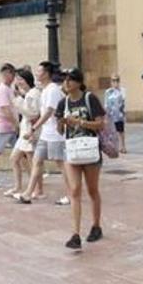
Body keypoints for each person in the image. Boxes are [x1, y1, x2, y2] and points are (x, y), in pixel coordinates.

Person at [55, 67, 108, 249]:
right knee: (75, 190)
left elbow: (101, 124)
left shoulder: (89, 99)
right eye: (64, 80)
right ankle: (75, 234)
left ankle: (96, 225)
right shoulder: (63, 104)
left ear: (78, 82)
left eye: (69, 80)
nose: (66, 83)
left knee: (92, 190)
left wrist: (80, 122)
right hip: (72, 149)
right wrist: (61, 123)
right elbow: (59, 130)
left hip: (90, 149)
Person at [25, 61, 66, 204]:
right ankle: (28, 193)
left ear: (46, 74)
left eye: (39, 71)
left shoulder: (53, 89)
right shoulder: (45, 89)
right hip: (45, 134)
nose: (37, 73)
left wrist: (34, 128)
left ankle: (71, 194)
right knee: (36, 161)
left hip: (55, 134)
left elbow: (49, 111)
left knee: (61, 164)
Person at [9, 68, 40, 201]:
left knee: (32, 161)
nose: (18, 81)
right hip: (25, 131)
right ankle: (19, 186)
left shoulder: (33, 94)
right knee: (15, 158)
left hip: (29, 130)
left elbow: (33, 113)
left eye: (20, 79)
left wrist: (18, 103)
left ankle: (36, 190)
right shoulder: (29, 94)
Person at [104, 74, 128, 154]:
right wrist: (106, 115)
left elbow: (123, 101)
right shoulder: (108, 91)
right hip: (111, 114)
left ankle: (123, 146)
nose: (115, 82)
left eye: (117, 80)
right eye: (113, 80)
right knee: (112, 131)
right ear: (111, 82)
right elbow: (106, 103)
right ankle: (114, 146)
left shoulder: (122, 90)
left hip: (119, 114)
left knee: (120, 131)